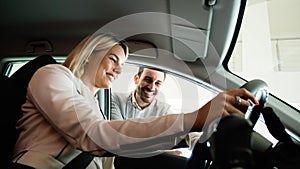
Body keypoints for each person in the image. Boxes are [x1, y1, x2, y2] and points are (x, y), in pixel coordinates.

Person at [11, 32, 259, 169]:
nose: (119, 70)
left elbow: (112, 149)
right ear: (89, 55)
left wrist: (191, 136)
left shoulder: (94, 104)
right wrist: (191, 119)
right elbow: (96, 136)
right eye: (113, 59)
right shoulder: (52, 75)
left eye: (122, 64)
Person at [111, 67, 200, 156]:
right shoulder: (115, 99)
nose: (151, 87)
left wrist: (198, 141)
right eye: (148, 80)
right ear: (136, 79)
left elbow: (184, 129)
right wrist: (162, 152)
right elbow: (120, 137)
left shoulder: (165, 110)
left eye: (157, 83)